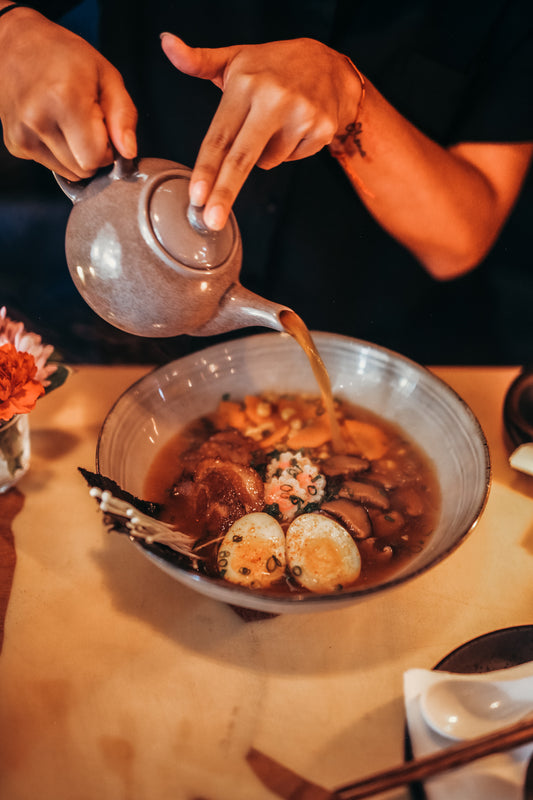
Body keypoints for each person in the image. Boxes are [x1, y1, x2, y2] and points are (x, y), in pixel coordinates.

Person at [0, 0, 532, 364]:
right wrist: (11, 30)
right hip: (143, 329)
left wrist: (352, 101)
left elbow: (459, 239)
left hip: (396, 344)